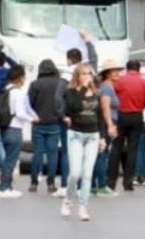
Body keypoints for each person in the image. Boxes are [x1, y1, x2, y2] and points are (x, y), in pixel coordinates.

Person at [61, 63, 102, 221]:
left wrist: (102, 137)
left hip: (93, 135)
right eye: (83, 74)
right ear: (77, 76)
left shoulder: (97, 93)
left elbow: (100, 116)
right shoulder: (70, 92)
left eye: (89, 74)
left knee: (87, 175)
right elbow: (73, 109)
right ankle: (68, 200)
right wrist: (84, 89)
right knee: (75, 173)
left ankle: (83, 206)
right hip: (76, 134)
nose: (87, 77)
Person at [107, 60, 145, 193]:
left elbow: (114, 97)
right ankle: (128, 182)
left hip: (121, 115)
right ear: (138, 69)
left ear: (127, 68)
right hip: (137, 116)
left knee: (116, 148)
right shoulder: (144, 82)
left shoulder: (120, 80)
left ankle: (111, 181)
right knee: (133, 149)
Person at [27, 59, 66, 194]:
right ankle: (51, 183)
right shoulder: (60, 84)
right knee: (53, 154)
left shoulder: (35, 84)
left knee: (37, 153)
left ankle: (33, 183)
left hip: (38, 122)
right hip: (55, 123)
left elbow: (29, 104)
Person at [0, 65, 32, 199]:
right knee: (11, 160)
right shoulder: (18, 93)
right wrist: (32, 119)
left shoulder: (5, 91)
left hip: (4, 128)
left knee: (7, 159)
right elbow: (20, 113)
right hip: (15, 129)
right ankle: (4, 188)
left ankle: (7, 186)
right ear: (20, 78)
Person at [93, 60, 122, 196]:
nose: (117, 73)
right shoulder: (106, 87)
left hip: (107, 122)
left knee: (100, 154)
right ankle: (101, 186)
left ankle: (94, 186)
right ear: (107, 73)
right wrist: (111, 125)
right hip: (105, 123)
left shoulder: (108, 87)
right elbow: (105, 107)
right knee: (102, 155)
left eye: (118, 70)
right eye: (113, 70)